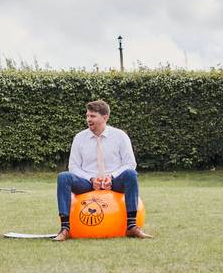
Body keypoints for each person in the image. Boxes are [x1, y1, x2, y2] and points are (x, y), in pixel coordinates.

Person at [53, 100, 151, 241]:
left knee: (131, 174)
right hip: (87, 182)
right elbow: (73, 167)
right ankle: (65, 229)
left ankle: (132, 226)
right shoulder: (79, 138)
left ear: (105, 117)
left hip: (115, 181)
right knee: (64, 177)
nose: (88, 119)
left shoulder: (120, 136)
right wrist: (91, 179)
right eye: (87, 116)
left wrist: (111, 177)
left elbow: (130, 163)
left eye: (92, 116)